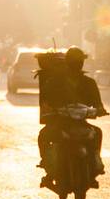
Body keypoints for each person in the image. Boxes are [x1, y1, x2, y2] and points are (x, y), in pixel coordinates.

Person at [37, 46, 106, 179]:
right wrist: (51, 108)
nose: (77, 64)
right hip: (60, 122)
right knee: (44, 135)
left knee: (97, 133)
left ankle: (94, 161)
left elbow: (97, 102)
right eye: (74, 61)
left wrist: (100, 109)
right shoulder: (55, 82)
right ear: (67, 62)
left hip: (81, 122)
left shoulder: (89, 82)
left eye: (79, 61)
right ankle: (46, 163)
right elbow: (46, 98)